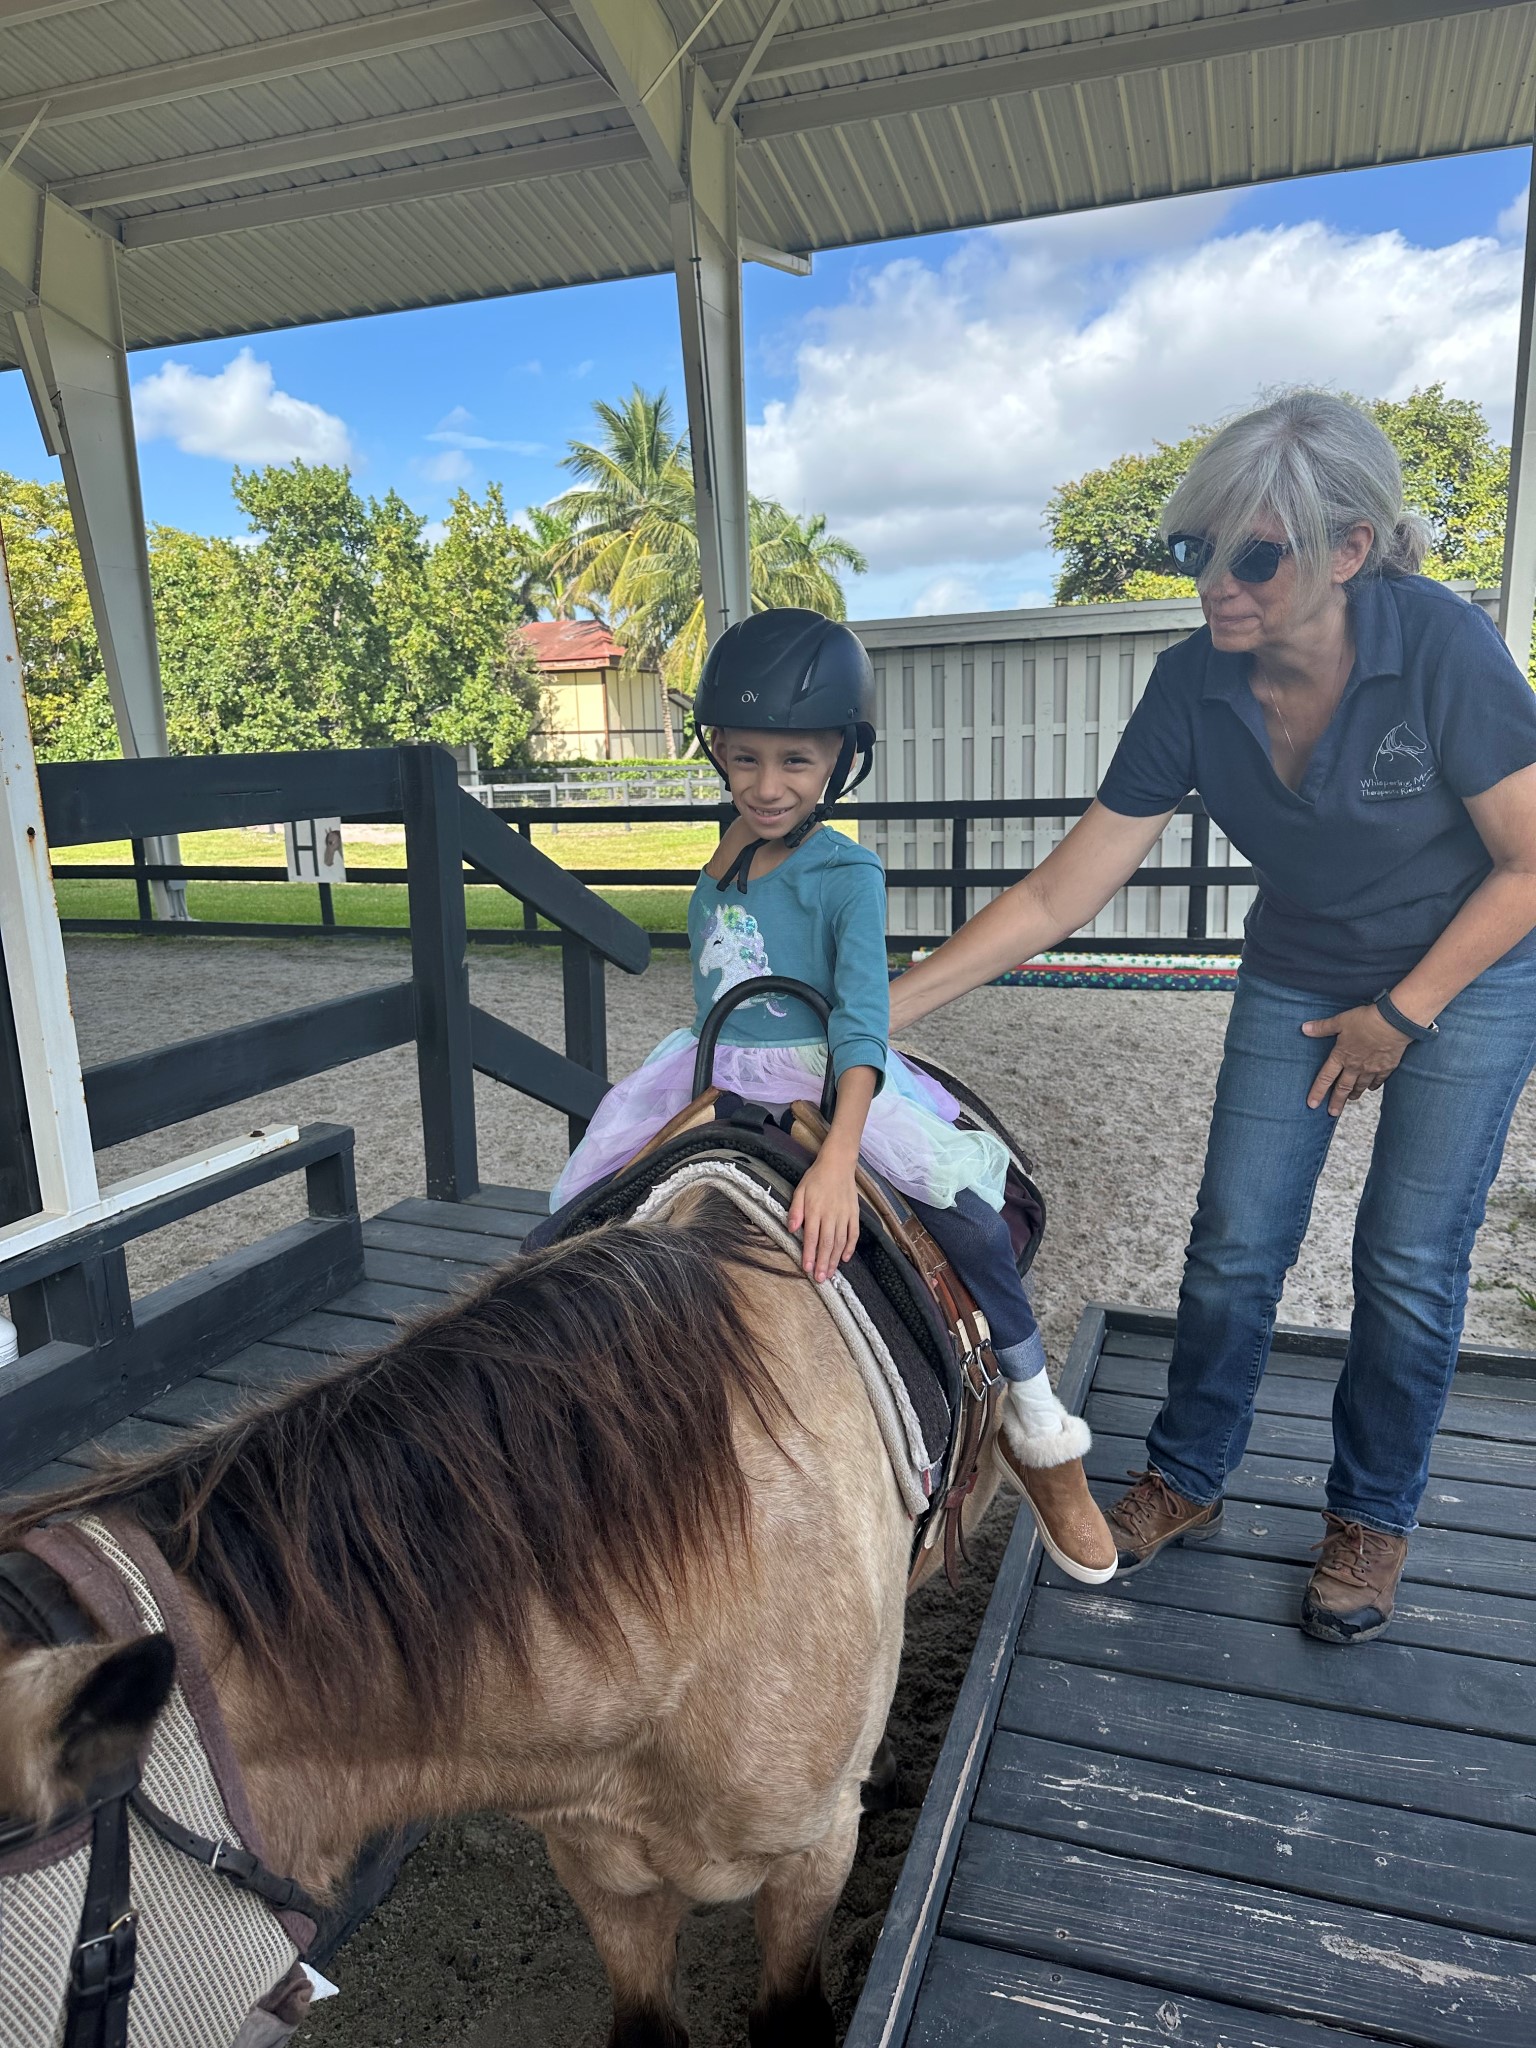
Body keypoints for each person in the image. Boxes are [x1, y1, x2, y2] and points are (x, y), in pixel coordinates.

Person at [889, 390, 1536, 1645]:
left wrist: (1400, 1014)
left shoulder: (1441, 645)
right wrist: (881, 1007)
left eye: (1254, 557)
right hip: (1303, 961)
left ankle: (1372, 1513)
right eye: (1197, 550)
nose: (1214, 585)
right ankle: (1187, 1471)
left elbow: (1528, 863)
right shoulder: (1192, 683)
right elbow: (1060, 891)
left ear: (1349, 549)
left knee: (1408, 1258)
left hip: (1472, 965)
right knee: (1237, 1238)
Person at [548, 607, 1116, 1583]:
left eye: (796, 761)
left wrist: (841, 1154)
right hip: (713, 1071)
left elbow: (860, 1023)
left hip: (820, 1074)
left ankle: (1035, 1420)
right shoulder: (724, 853)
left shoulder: (848, 872)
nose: (766, 785)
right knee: (576, 1205)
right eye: (745, 757)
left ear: (841, 760)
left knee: (971, 1224)